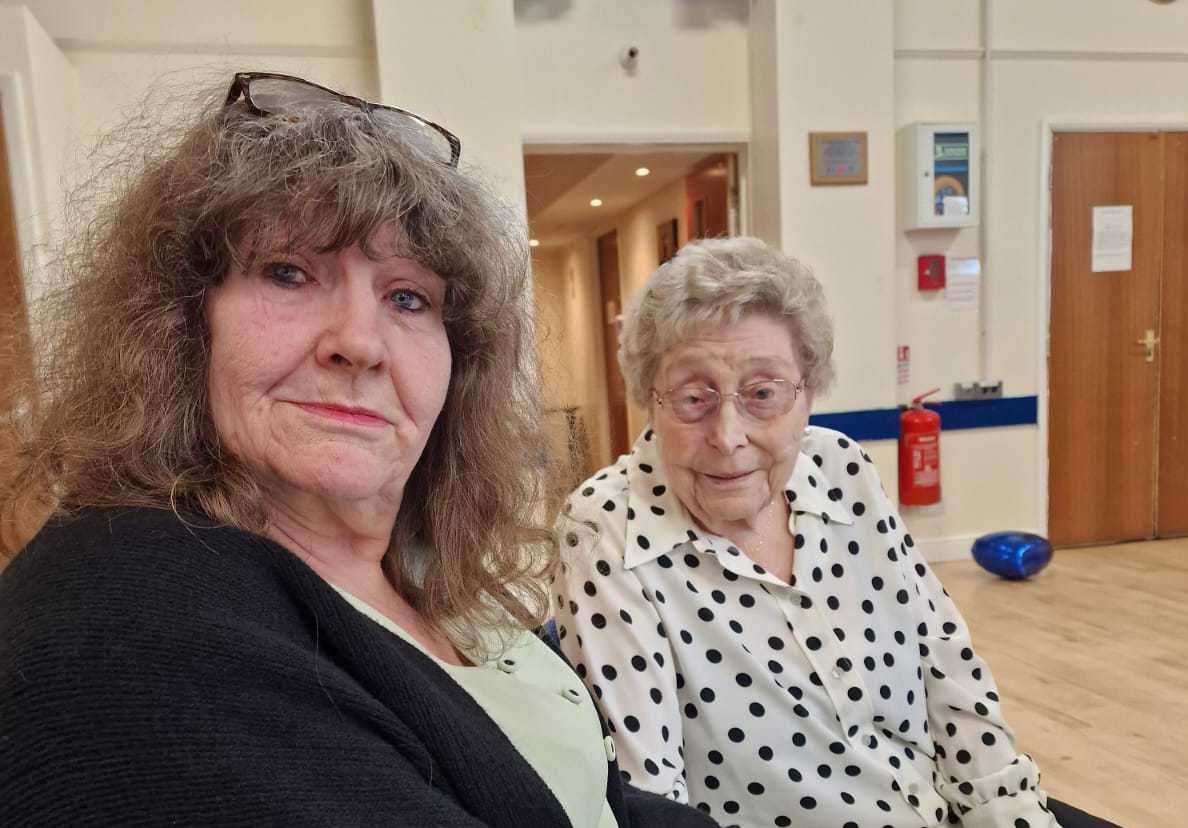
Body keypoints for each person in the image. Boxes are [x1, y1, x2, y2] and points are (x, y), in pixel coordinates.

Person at [0, 71, 715, 828]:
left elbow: (588, 794)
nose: (359, 343)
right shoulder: (126, 630)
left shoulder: (414, 564)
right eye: (289, 273)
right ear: (178, 328)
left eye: (408, 297)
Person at [553, 237, 1116, 828]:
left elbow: (949, 672)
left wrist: (1011, 812)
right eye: (694, 398)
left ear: (808, 393)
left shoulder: (841, 469)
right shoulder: (605, 529)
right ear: (650, 398)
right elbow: (650, 802)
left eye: (763, 394)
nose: (728, 434)